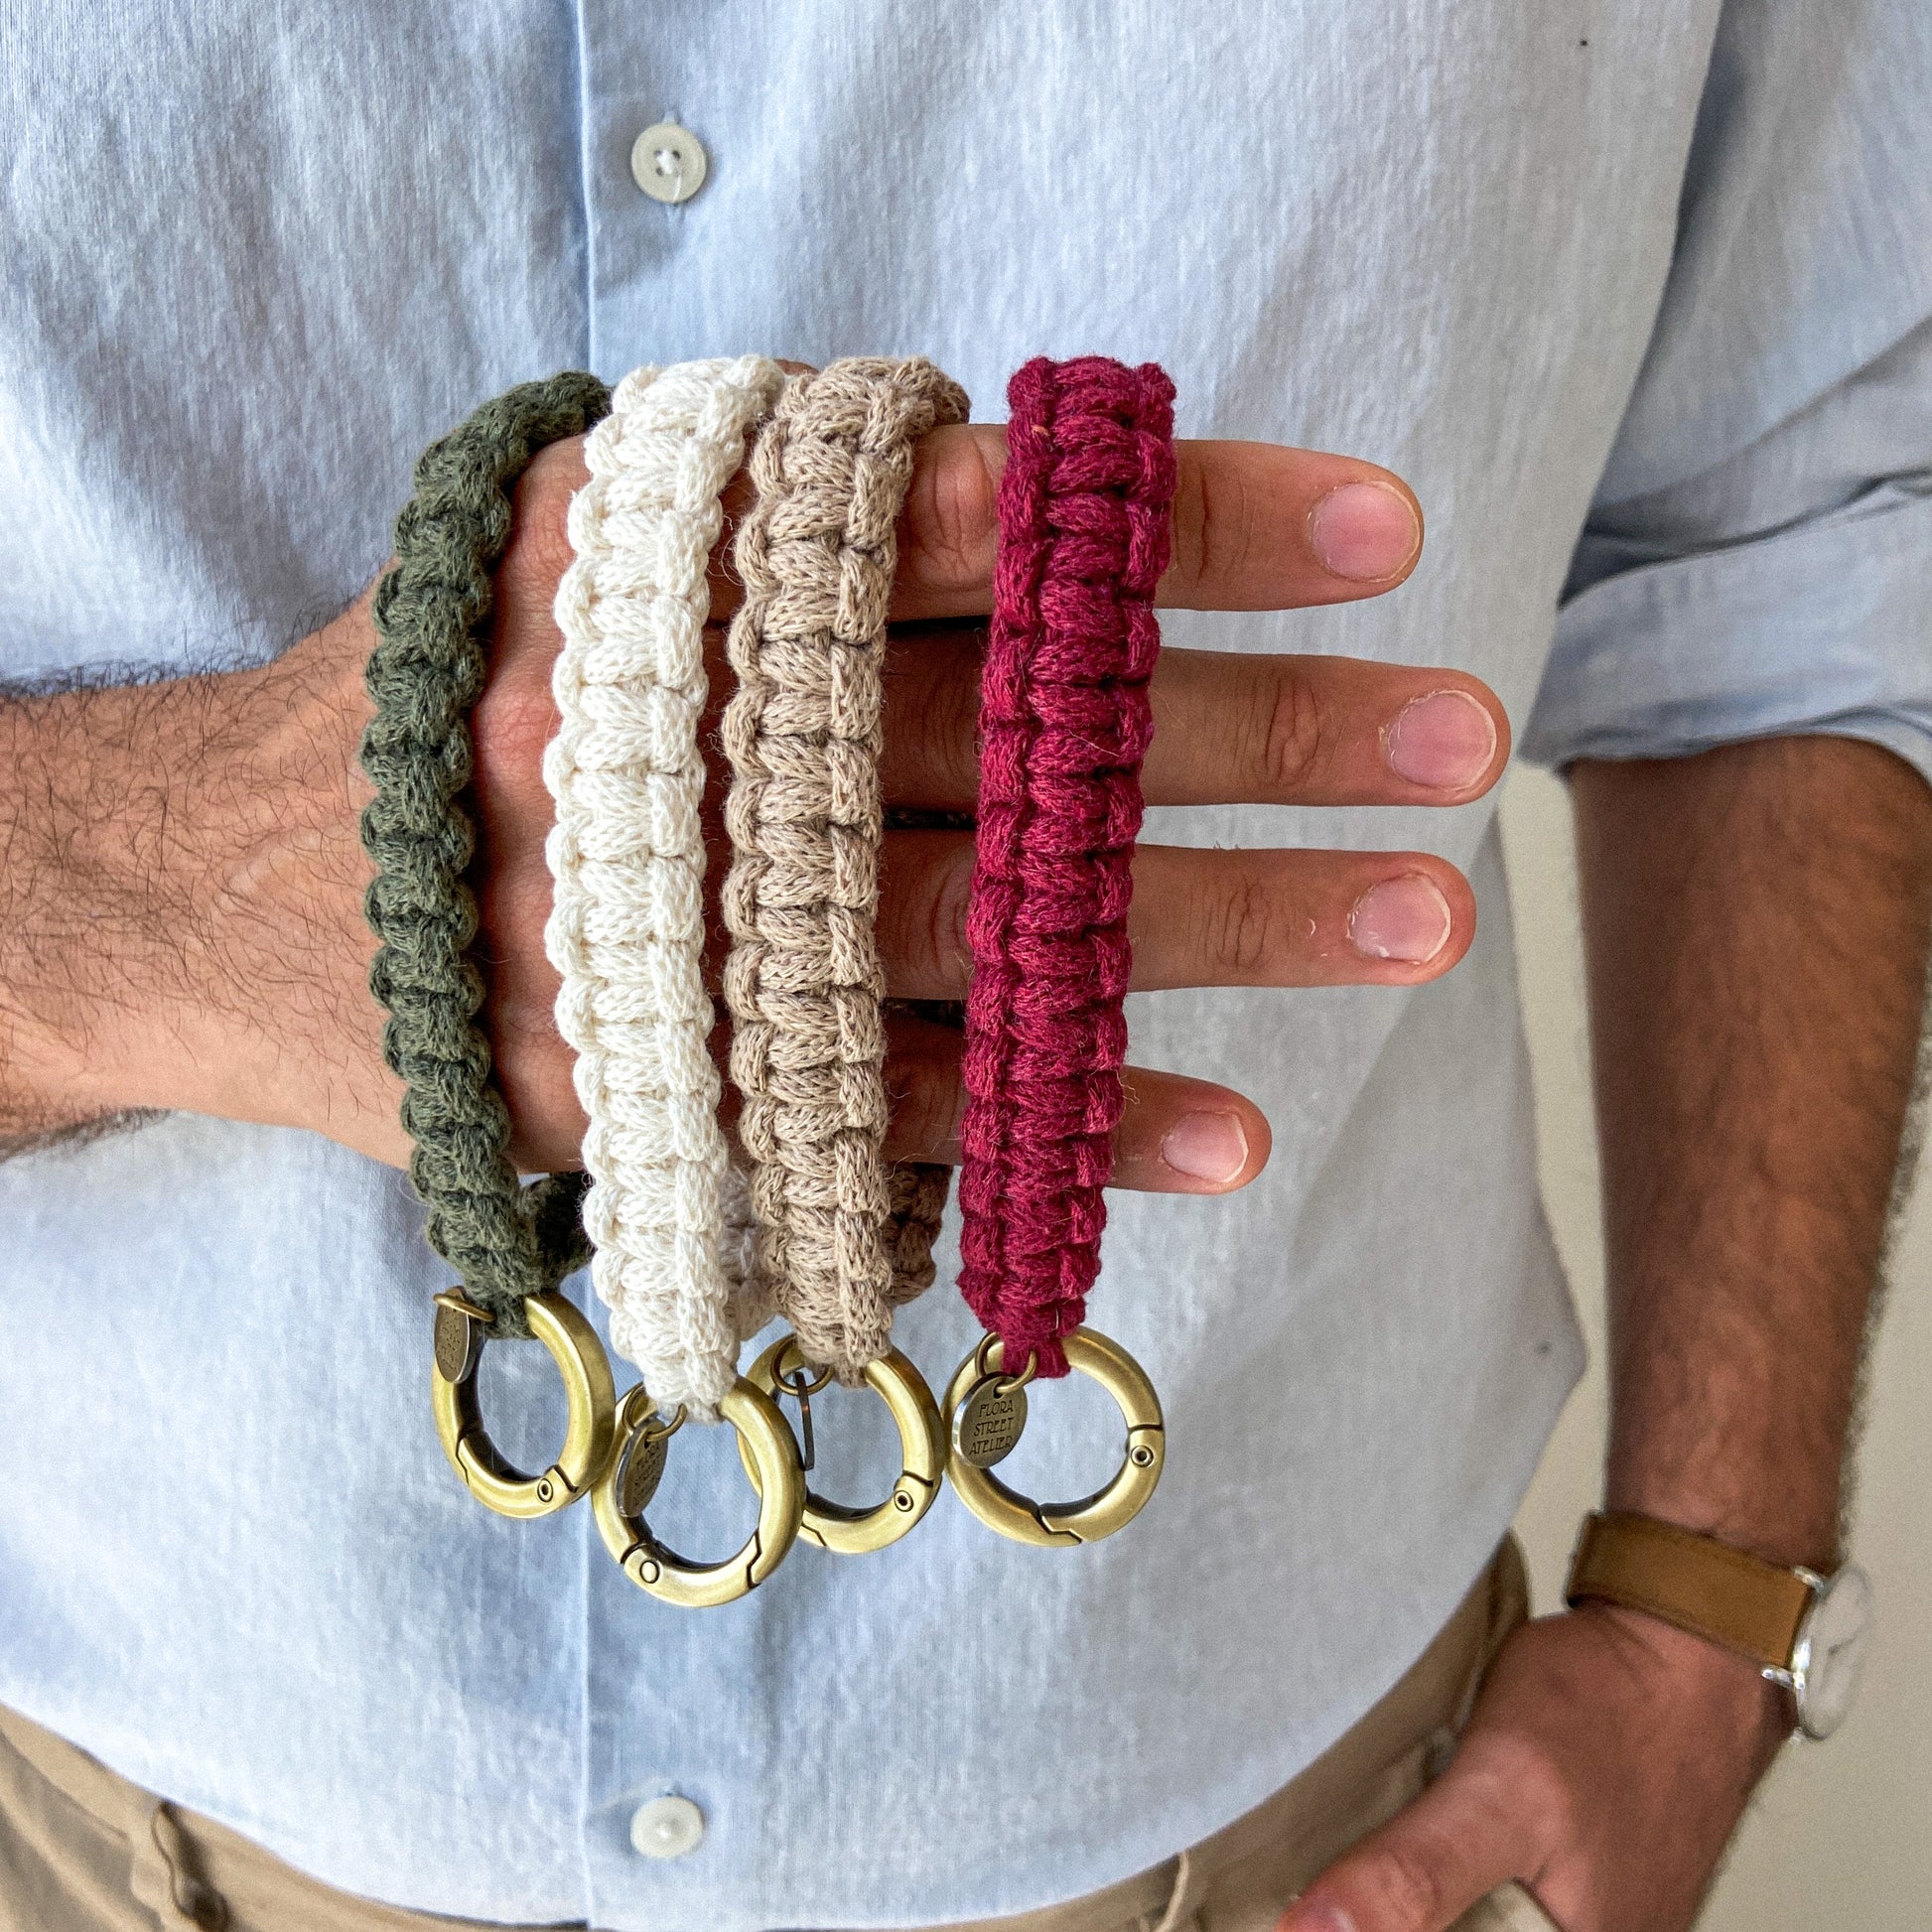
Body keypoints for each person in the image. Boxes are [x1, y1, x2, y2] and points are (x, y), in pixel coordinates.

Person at [1, 6, 1928, 1931]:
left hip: (1310, 1818)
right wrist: (150, 886)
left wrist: (1719, 1609)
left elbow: (1789, 540)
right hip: (103, 1806)